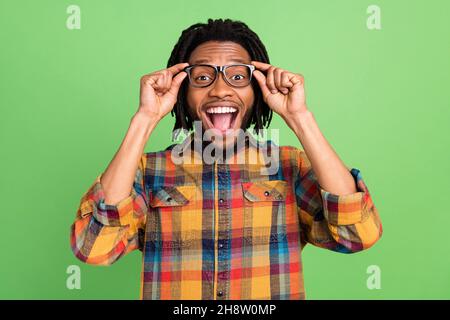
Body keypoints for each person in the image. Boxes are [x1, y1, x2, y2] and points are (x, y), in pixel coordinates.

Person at [70, 18, 382, 300]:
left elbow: (359, 233)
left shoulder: (289, 166)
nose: (220, 89)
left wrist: (299, 116)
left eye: (237, 76)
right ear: (183, 93)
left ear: (257, 89)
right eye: (203, 77)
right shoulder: (146, 172)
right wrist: (145, 118)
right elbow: (94, 247)